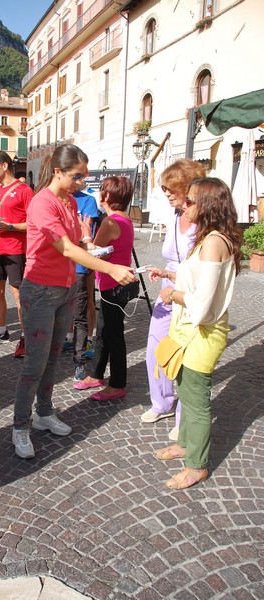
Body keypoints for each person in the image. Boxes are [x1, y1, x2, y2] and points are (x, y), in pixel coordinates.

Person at [12, 145, 136, 459]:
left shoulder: (68, 201)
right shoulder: (43, 202)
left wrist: (91, 245)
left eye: (83, 175)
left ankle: (44, 413)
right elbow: (66, 248)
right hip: (40, 290)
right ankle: (20, 426)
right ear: (57, 171)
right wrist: (109, 268)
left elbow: (78, 243)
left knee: (53, 359)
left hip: (64, 289)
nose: (81, 181)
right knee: (34, 363)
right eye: (76, 175)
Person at [152, 177, 241, 489]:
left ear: (208, 206)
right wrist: (171, 275)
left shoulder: (214, 242)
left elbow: (201, 305)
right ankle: (186, 446)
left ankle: (197, 466)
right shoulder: (210, 239)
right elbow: (202, 284)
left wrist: (170, 294)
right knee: (186, 392)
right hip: (192, 330)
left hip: (202, 331)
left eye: (190, 200)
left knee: (196, 399)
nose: (184, 205)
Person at [141, 160, 206, 440]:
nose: (166, 194)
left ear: (188, 187)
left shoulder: (204, 220)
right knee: (155, 350)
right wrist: (165, 274)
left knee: (187, 358)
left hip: (190, 292)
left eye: (171, 189)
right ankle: (163, 403)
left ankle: (185, 417)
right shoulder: (173, 216)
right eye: (165, 189)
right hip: (168, 288)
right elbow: (172, 255)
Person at [73, 176, 137, 400]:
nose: (99, 193)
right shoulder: (125, 219)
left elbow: (93, 252)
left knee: (114, 335)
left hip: (112, 285)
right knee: (103, 331)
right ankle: (97, 374)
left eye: (102, 190)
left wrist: (85, 233)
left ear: (108, 196)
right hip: (116, 285)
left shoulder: (110, 222)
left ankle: (118, 383)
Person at [0, 151, 34, 358]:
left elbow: (33, 223)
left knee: (19, 295)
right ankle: (1, 332)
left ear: (5, 166)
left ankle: (26, 337)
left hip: (16, 250)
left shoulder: (25, 191)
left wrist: (8, 226)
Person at [68, 183, 100, 381]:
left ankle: (84, 349)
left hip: (79, 265)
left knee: (82, 308)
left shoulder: (87, 200)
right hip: (57, 267)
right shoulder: (52, 200)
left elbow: (87, 235)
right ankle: (68, 338)